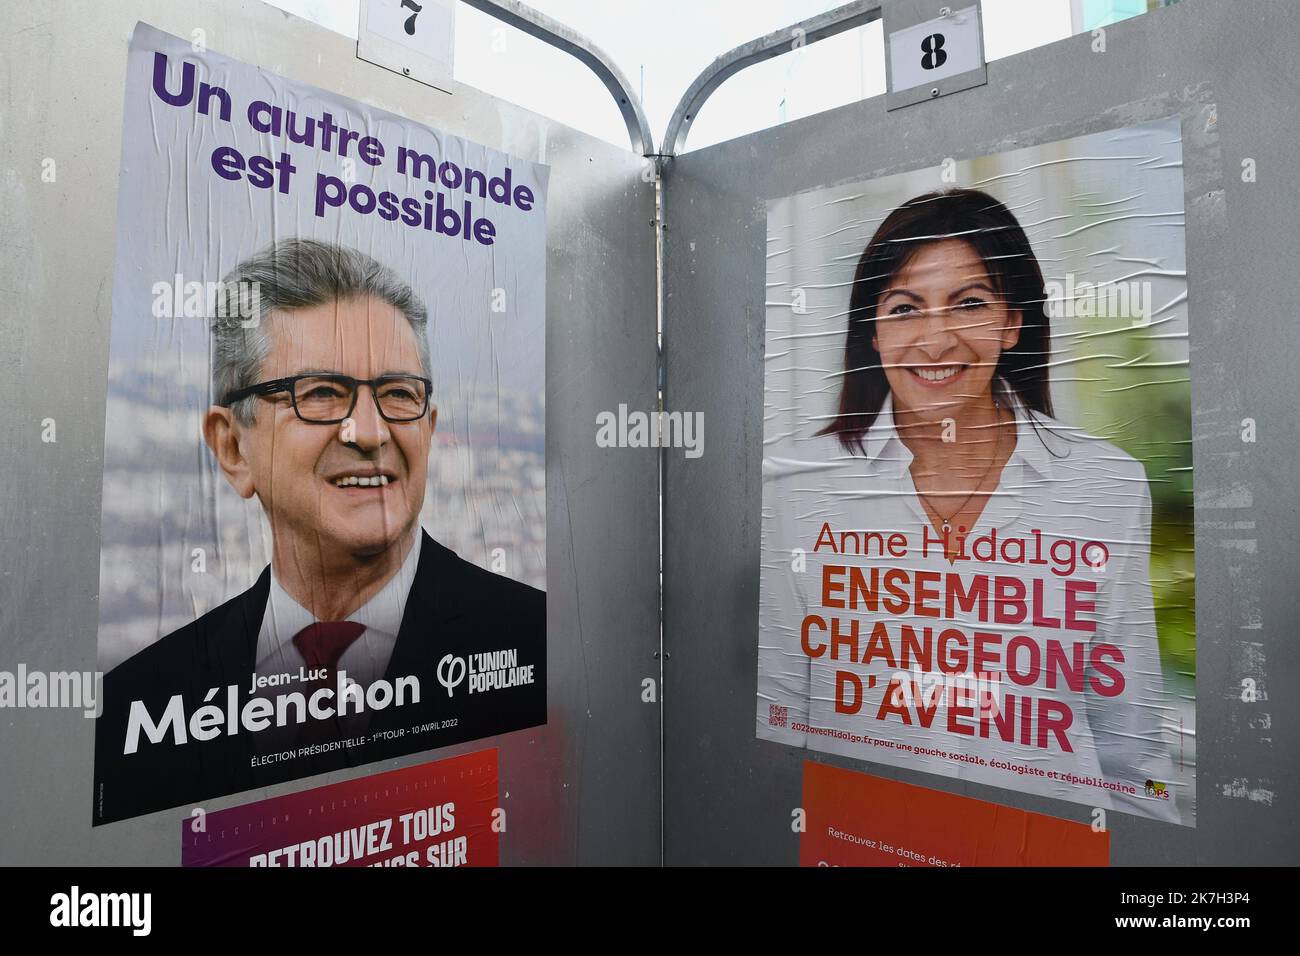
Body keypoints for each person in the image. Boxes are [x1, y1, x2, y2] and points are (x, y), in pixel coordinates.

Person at [759, 188, 1181, 824]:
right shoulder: (797, 486)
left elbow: (1130, 735)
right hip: (865, 842)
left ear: (1012, 322)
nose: (935, 340)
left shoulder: (1103, 483)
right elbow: (782, 714)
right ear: (872, 331)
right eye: (905, 308)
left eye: (970, 304)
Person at [94, 239, 545, 824]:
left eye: (397, 394)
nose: (368, 431)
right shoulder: (141, 705)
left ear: (429, 430)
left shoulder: (537, 652)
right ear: (233, 448)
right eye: (321, 394)